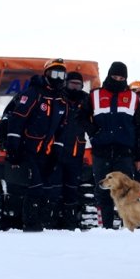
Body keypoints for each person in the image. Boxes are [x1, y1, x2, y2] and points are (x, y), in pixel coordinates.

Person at [4, 58, 70, 231]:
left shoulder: (62, 101)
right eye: (54, 73)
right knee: (35, 186)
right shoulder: (33, 93)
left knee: (50, 189)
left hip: (47, 153)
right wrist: (13, 147)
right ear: (46, 74)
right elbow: (17, 120)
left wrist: (58, 151)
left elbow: (62, 129)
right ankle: (30, 225)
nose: (57, 78)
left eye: (61, 74)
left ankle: (45, 224)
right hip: (27, 149)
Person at [86, 61, 140, 229]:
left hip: (124, 153)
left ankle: (128, 226)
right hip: (101, 152)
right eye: (115, 76)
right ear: (109, 75)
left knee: (126, 191)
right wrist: (94, 133)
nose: (118, 79)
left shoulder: (133, 98)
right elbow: (81, 118)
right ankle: (104, 227)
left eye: (122, 77)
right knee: (102, 191)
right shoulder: (94, 95)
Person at [57, 71, 90, 230]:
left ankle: (70, 224)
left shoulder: (87, 101)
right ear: (66, 83)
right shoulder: (58, 97)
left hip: (77, 153)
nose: (75, 87)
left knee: (72, 191)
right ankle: (52, 223)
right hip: (55, 152)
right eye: (72, 84)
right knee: (54, 190)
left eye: (78, 84)